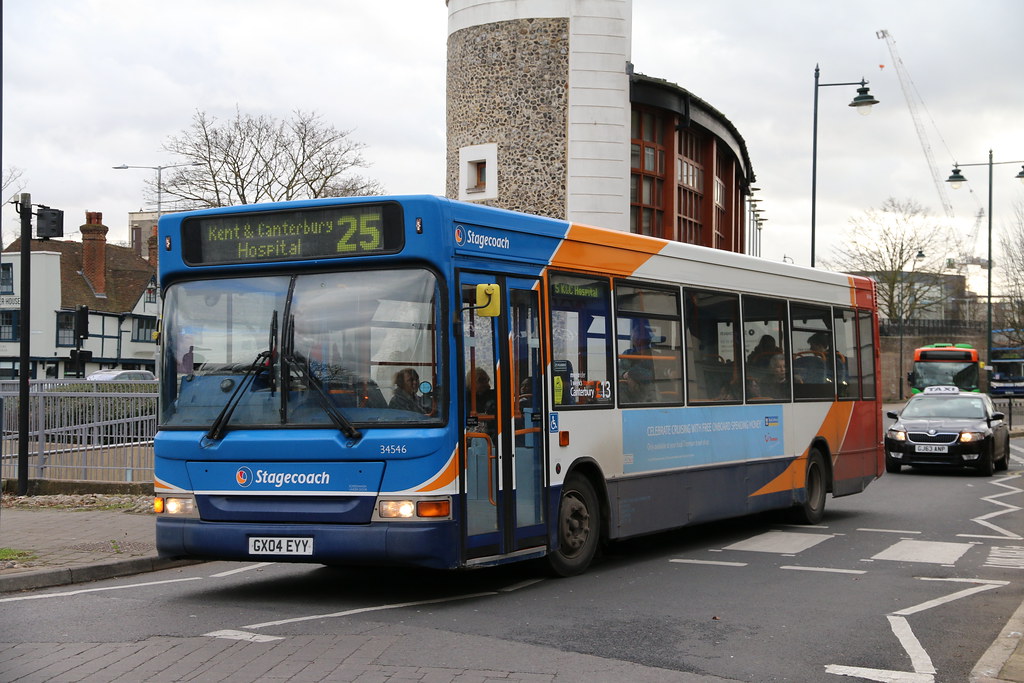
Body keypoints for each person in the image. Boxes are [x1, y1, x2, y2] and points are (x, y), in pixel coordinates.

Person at [619, 321, 656, 402]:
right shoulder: (627, 353)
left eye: (640, 338)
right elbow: (619, 369)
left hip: (647, 389)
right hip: (628, 388)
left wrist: (631, 373)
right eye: (635, 338)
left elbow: (651, 375)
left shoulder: (653, 355)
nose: (637, 340)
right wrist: (624, 374)